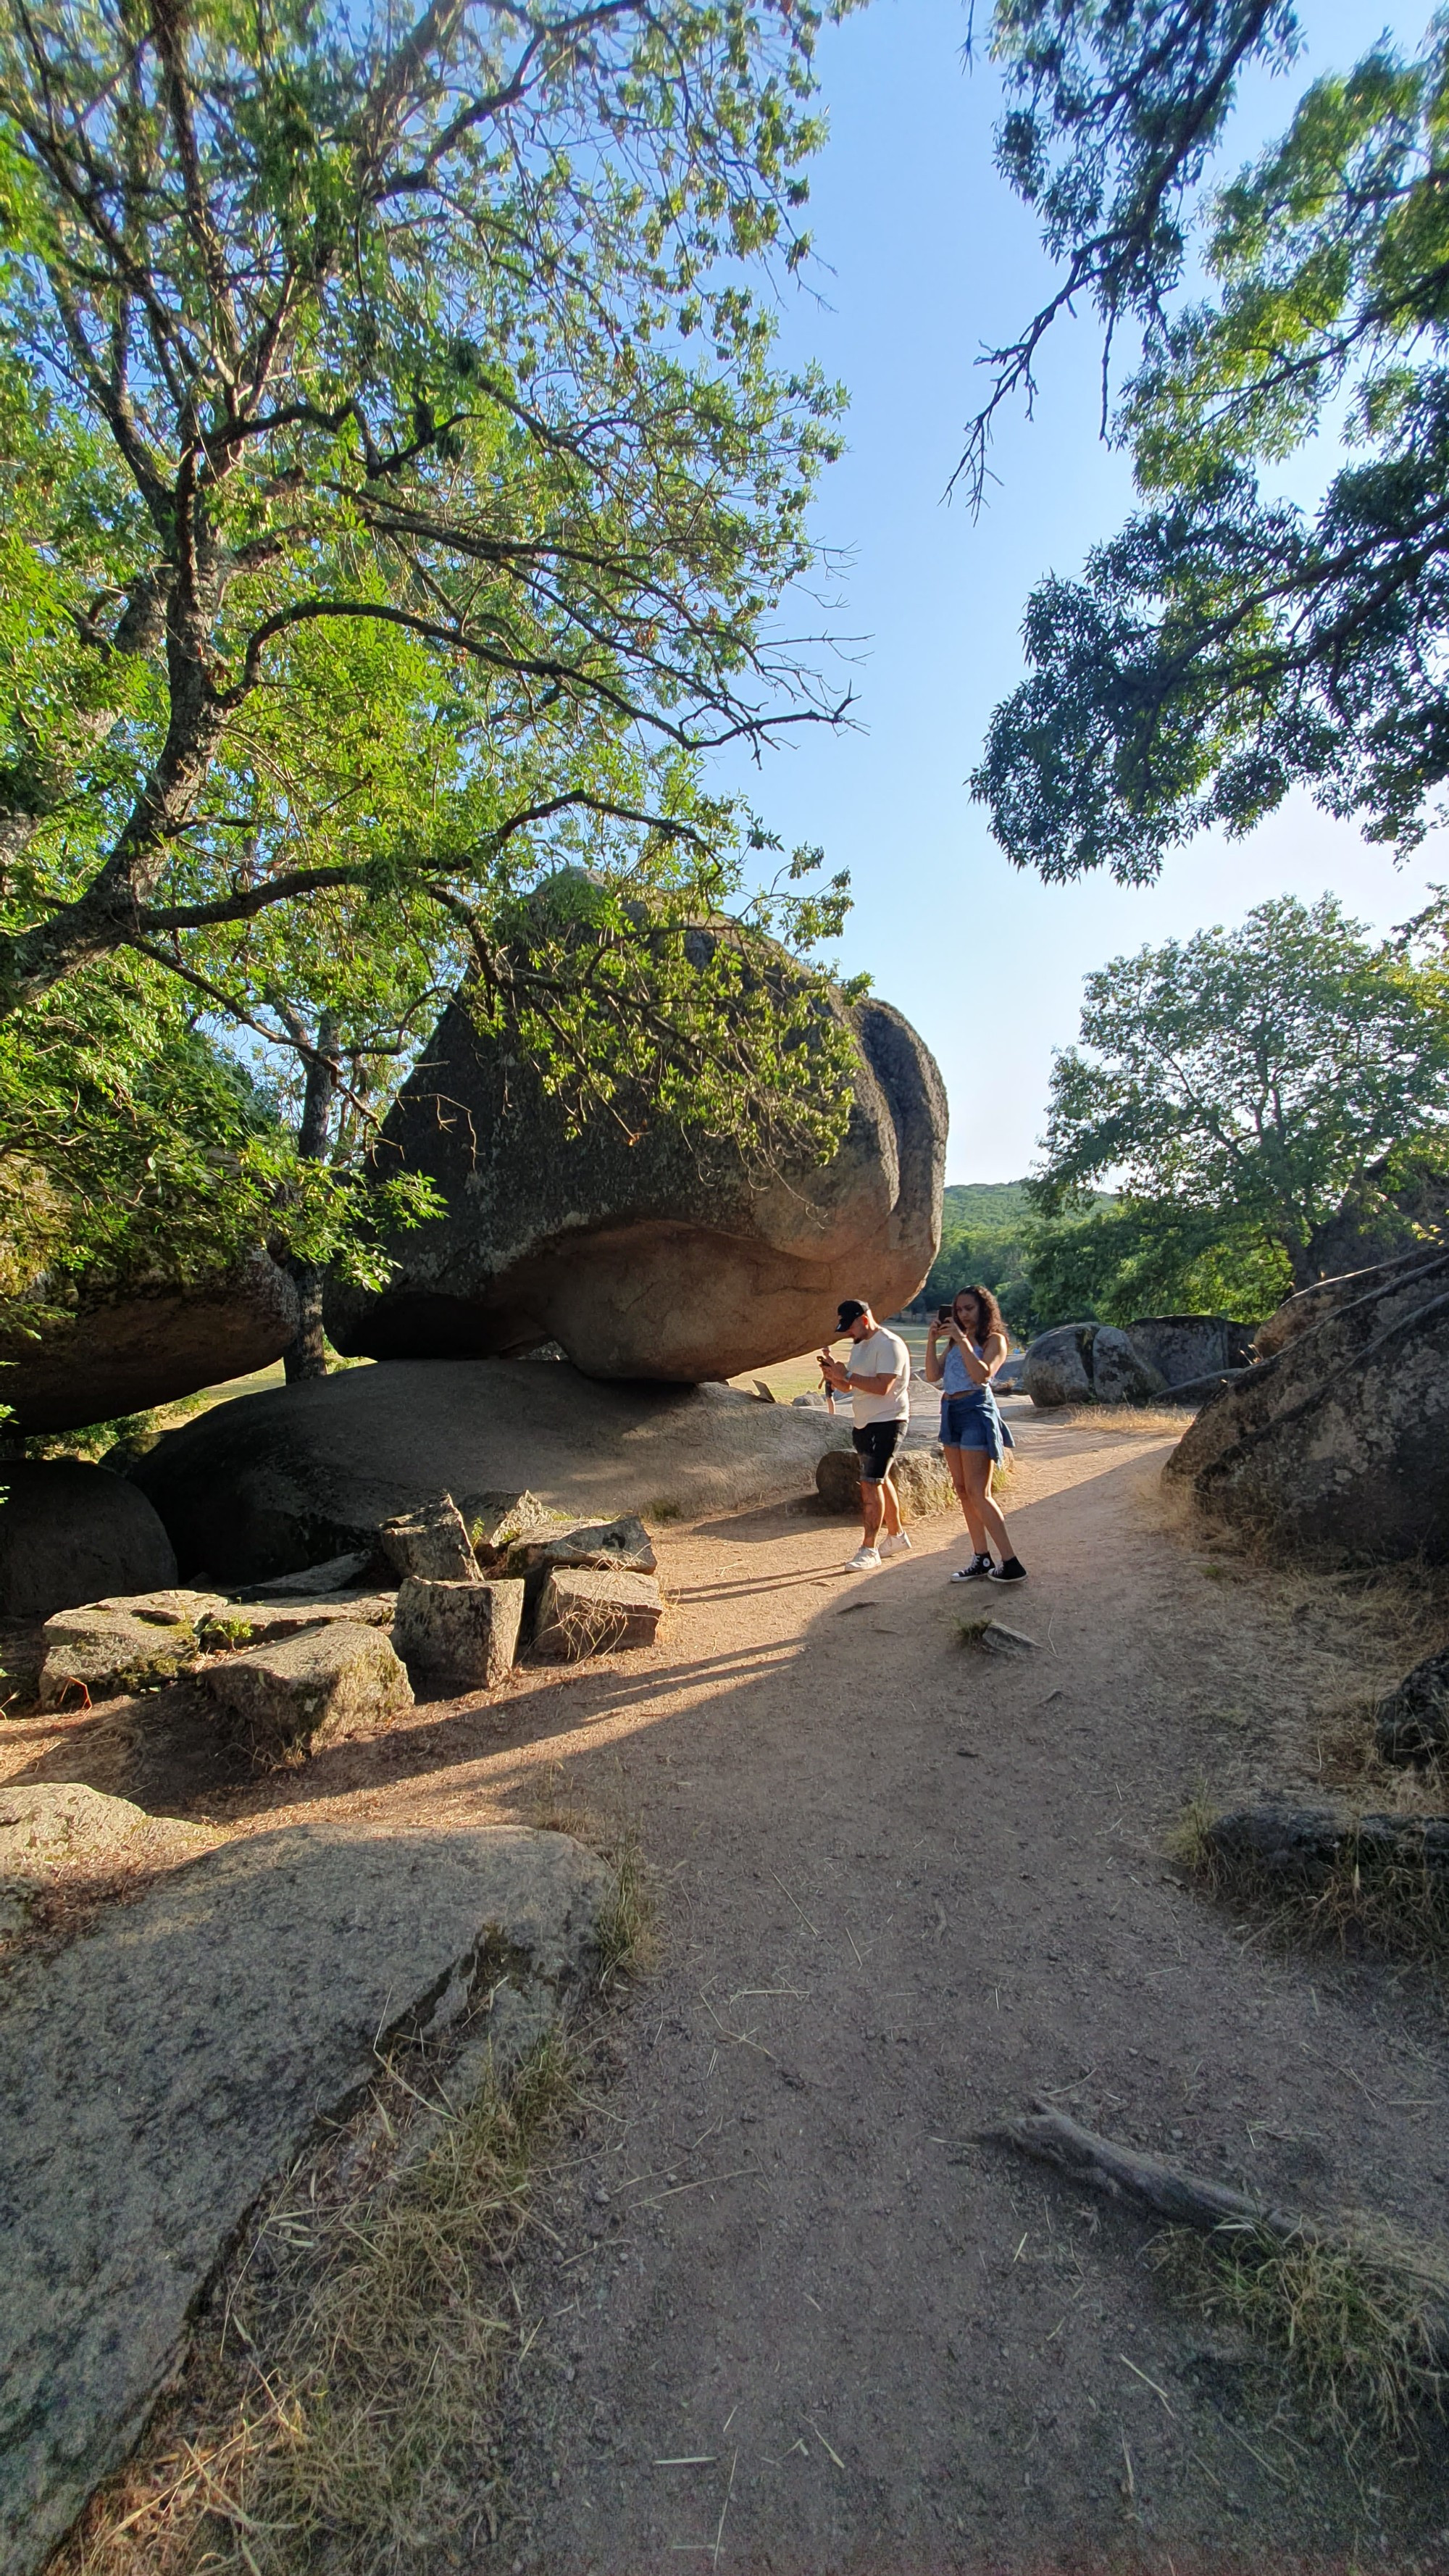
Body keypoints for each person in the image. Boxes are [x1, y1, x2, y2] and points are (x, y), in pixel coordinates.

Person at [924, 1285, 1028, 1583]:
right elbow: (933, 1376)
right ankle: (981, 1557)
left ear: (984, 1309)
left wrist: (962, 1339)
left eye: (968, 1309)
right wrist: (933, 1342)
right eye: (958, 1310)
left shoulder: (994, 1340)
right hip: (950, 1411)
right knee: (961, 1488)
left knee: (978, 1492)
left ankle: (1010, 1561)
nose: (962, 1315)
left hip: (975, 1410)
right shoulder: (956, 1341)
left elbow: (982, 1374)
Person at [817, 1298, 912, 1572]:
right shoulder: (860, 1346)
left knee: (870, 1484)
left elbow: (883, 1386)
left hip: (888, 1421)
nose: (848, 1332)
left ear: (865, 1319)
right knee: (879, 1481)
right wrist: (835, 1376)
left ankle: (868, 1548)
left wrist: (846, 1374)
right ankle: (896, 1537)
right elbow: (851, 1388)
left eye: (850, 1327)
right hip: (864, 1423)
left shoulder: (889, 1344)